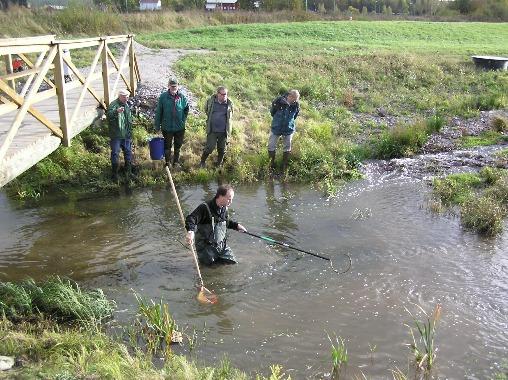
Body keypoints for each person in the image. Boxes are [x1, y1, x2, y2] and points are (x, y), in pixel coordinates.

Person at [185, 184, 247, 265]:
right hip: (206, 248)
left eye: (232, 199)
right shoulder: (205, 208)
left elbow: (226, 222)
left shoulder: (224, 208)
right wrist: (190, 232)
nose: (231, 202)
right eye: (229, 199)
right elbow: (191, 218)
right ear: (220, 196)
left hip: (221, 246)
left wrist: (237, 226)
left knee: (233, 263)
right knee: (209, 271)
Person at [154, 78, 189, 168]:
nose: (174, 87)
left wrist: (183, 120)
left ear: (178, 86)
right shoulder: (163, 97)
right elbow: (159, 112)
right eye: (172, 86)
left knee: (178, 146)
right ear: (168, 86)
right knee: (167, 146)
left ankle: (176, 162)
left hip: (179, 128)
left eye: (175, 86)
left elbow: (186, 109)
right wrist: (157, 126)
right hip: (167, 127)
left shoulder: (182, 97)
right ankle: (167, 163)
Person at [200, 86, 234, 168]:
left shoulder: (229, 104)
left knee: (222, 149)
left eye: (226, 94)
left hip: (224, 131)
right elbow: (206, 110)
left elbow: (231, 116)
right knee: (209, 147)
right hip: (212, 130)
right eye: (222, 94)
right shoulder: (211, 101)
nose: (224, 96)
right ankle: (202, 162)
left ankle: (219, 164)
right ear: (218, 94)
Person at [268, 89, 300, 173]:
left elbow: (295, 115)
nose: (296, 100)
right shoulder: (278, 101)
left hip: (288, 129)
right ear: (290, 96)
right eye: (295, 98)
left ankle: (284, 167)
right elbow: (272, 112)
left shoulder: (296, 105)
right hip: (276, 127)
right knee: (271, 146)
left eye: (297, 99)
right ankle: (271, 165)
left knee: (287, 147)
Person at [106, 89, 133, 181]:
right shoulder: (114, 105)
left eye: (128, 97)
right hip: (116, 135)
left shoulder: (127, 105)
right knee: (115, 153)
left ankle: (128, 172)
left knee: (128, 152)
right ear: (120, 96)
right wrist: (116, 112)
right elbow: (108, 116)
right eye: (125, 97)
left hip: (126, 134)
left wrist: (130, 133)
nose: (127, 99)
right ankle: (114, 174)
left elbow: (128, 120)